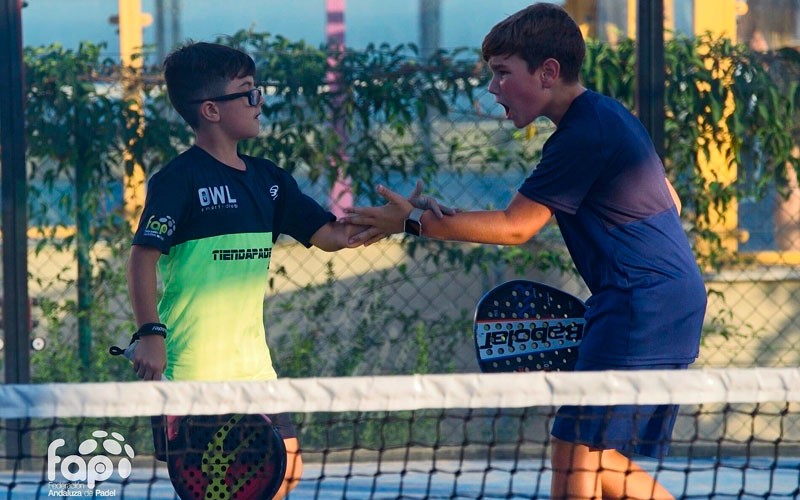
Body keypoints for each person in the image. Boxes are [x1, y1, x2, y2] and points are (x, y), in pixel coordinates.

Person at [345, 4, 707, 499]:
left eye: (501, 73)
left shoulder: (582, 133)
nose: (492, 88)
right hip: (665, 301)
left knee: (573, 452)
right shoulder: (607, 115)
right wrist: (432, 216)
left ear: (548, 72)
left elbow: (517, 227)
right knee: (602, 464)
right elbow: (670, 198)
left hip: (638, 305)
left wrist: (411, 222)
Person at [126, 41, 362, 499]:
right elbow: (142, 256)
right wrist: (150, 333)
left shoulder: (269, 181)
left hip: (254, 371)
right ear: (211, 110)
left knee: (286, 471)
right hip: (193, 373)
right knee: (221, 488)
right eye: (249, 93)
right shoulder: (178, 180)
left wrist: (403, 221)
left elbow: (332, 236)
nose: (260, 103)